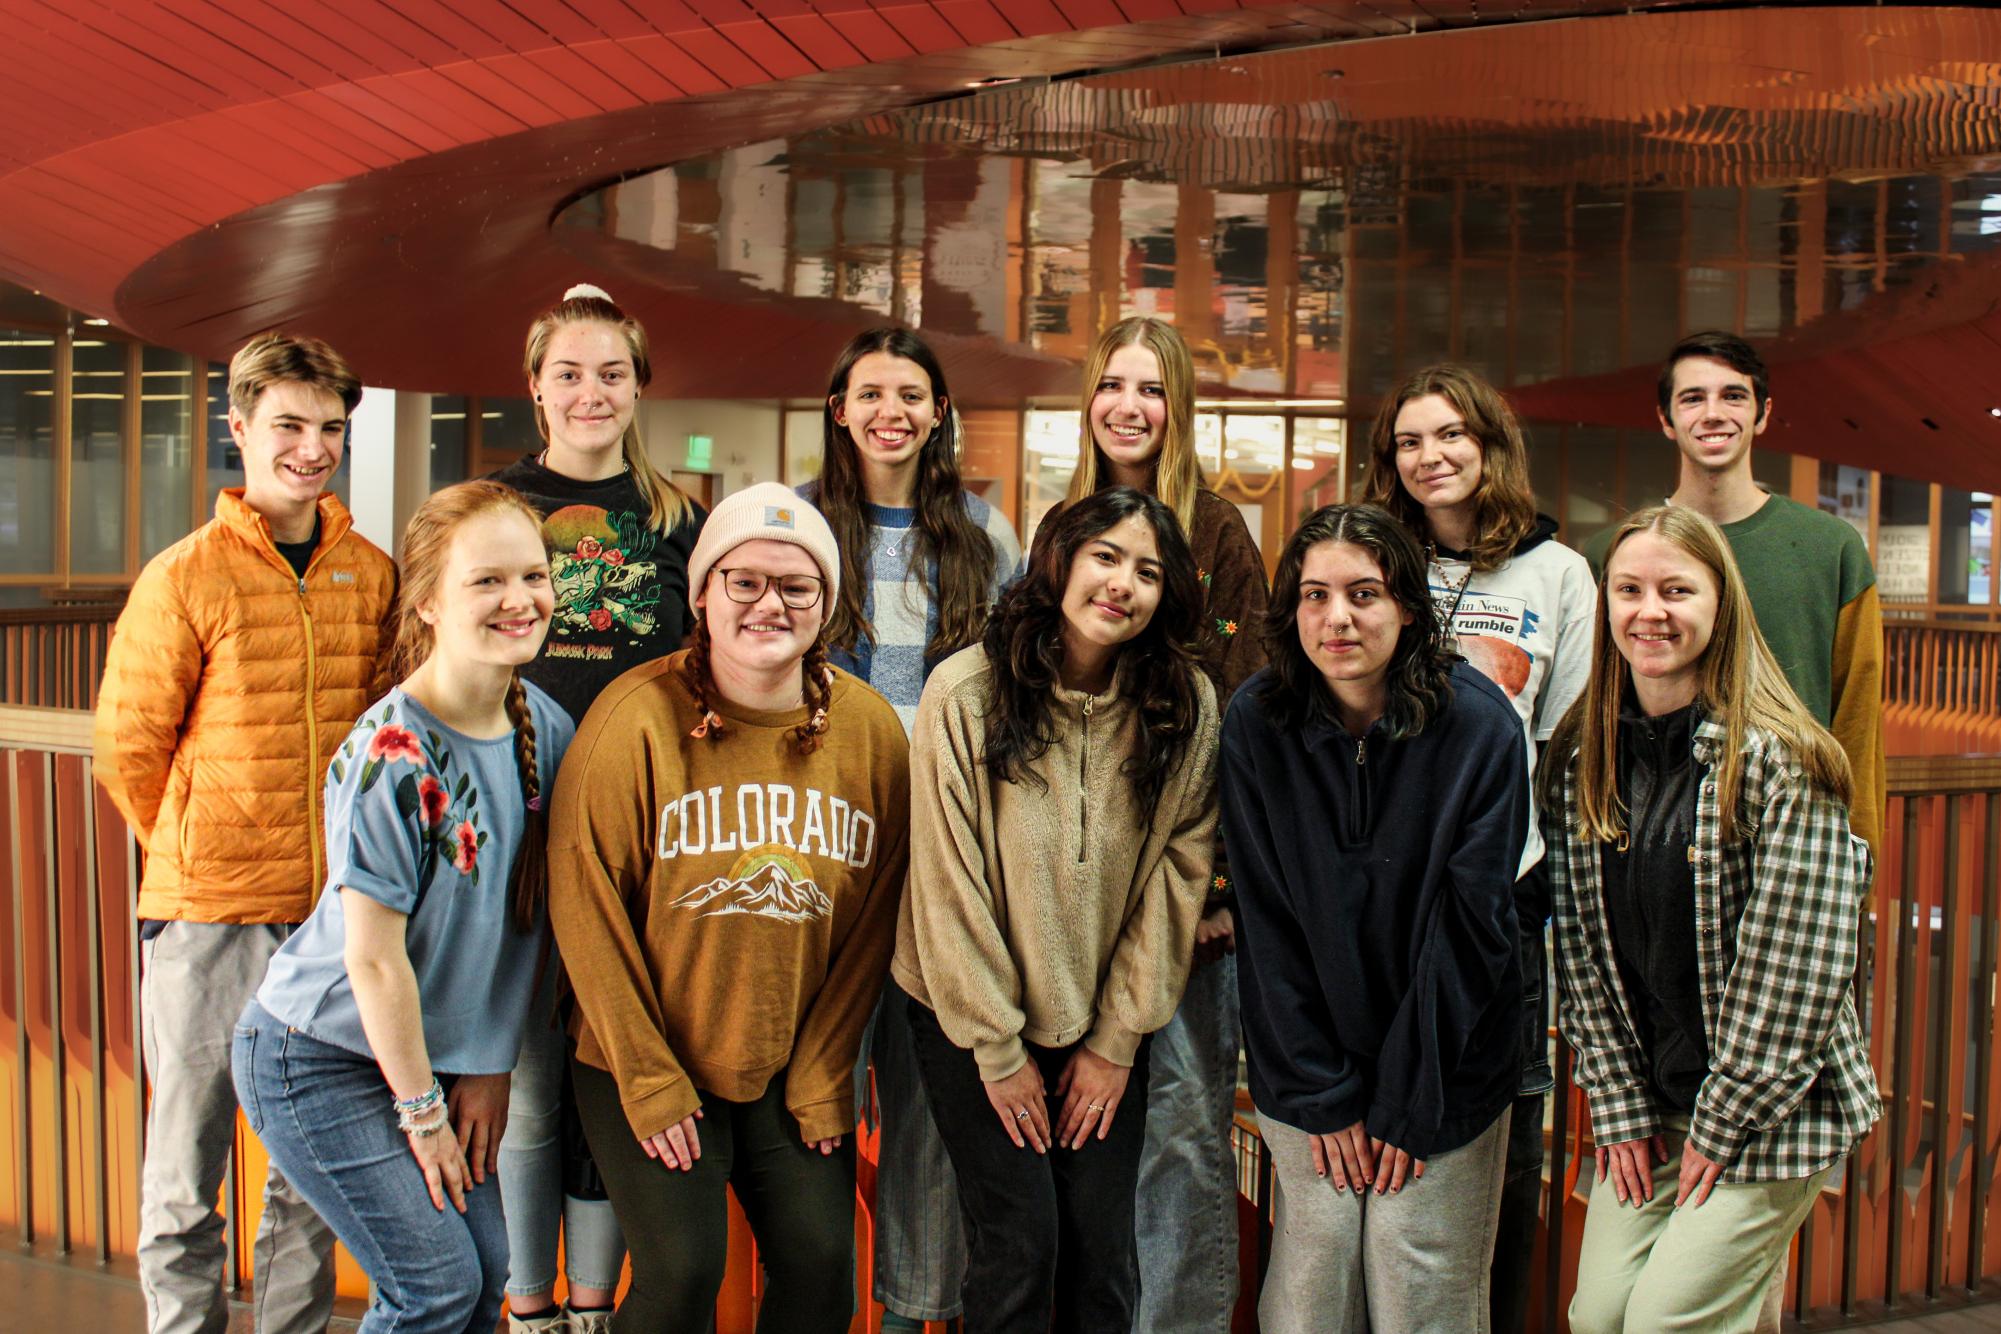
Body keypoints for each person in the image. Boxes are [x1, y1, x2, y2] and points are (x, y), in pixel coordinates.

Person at [546, 483, 910, 1333]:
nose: (768, 605)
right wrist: (649, 1080)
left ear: (827, 603)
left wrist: (826, 1070)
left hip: (789, 1065)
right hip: (642, 1054)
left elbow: (873, 925)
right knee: (681, 1275)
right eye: (742, 582)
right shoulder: (632, 719)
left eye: (796, 587)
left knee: (823, 1268)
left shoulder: (868, 734)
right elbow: (585, 907)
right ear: (702, 593)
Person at [93, 330, 395, 1334]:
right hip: (207, 917)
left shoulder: (372, 572)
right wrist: (200, 842)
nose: (310, 447)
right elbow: (128, 749)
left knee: (306, 1174)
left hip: (327, 923)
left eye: (328, 428)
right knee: (187, 1169)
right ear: (240, 428)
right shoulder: (184, 577)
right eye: (288, 425)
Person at [230, 481, 574, 1331]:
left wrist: (489, 1067)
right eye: (486, 581)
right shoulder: (391, 751)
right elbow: (373, 960)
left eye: (532, 576)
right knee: (434, 1288)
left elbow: (520, 935)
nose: (518, 600)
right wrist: (423, 1116)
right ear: (425, 601)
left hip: (445, 1060)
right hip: (319, 1056)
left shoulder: (547, 726)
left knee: (489, 1272)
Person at [895, 486, 1220, 1334]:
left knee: (1100, 1255)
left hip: (1100, 1018)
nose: (1122, 584)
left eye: (1147, 571)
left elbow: (1177, 877)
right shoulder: (964, 690)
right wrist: (998, 1053)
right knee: (1021, 1245)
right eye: (1104, 557)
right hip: (966, 1012)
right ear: (1059, 560)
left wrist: (1116, 1040)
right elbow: (945, 881)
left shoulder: (1183, 706)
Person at [1550, 504, 1879, 1332]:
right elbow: (1583, 957)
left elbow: (1794, 973)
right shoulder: (1583, 759)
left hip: (1772, 1107)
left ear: (1719, 604)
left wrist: (1724, 1121)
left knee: (1664, 1323)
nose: (1648, 611)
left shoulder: (1780, 758)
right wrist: (1618, 1108)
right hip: (1656, 1103)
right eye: (1628, 590)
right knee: (1596, 1319)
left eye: (1674, 589)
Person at [1224, 503, 1528, 1334]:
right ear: (1290, 609)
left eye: (1364, 593)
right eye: (1314, 596)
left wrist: (1405, 1100)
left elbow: (1471, 931)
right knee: (1316, 1266)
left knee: (1414, 1265)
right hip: (1307, 1055)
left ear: (1406, 606)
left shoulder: (1480, 728)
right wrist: (1323, 1094)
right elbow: (1267, 923)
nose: (1338, 618)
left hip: (1448, 1056)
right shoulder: (1255, 722)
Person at [488, 281, 706, 1332]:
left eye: (610, 373)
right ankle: (530, 1304)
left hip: (639, 840)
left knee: (615, 1072)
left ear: (638, 386)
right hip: (521, 836)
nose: (591, 392)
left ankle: (591, 1306)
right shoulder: (494, 509)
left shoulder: (676, 518)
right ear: (536, 387)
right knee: (532, 1081)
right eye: (568, 373)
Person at [1361, 364, 1594, 1333]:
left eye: (1451, 434)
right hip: (1383, 889)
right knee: (1382, 1116)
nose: (1431, 455)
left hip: (1507, 884)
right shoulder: (1379, 559)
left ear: (1491, 444)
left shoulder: (1557, 572)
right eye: (1410, 441)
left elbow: (1570, 742)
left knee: (1505, 1123)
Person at [801, 326, 1020, 1329]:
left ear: (940, 413)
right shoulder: (793, 523)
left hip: (941, 859)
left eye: (913, 394)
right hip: (822, 858)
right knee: (816, 1102)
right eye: (871, 391)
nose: (892, 410)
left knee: (930, 1114)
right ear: (839, 407)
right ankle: (818, 1303)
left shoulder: (985, 532)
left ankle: (909, 1314)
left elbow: (1017, 699)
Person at [1063, 315, 1267, 1333]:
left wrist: (1221, 884)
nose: (1129, 406)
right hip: (1078, 893)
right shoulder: (1062, 520)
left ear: (1177, 406)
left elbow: (1250, 722)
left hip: (1190, 897)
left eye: (1150, 387)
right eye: (1113, 384)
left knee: (1184, 1129)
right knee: (1088, 1123)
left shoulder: (1221, 533)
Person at [1583, 331, 1883, 856]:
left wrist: (1860, 860)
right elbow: (1592, 706)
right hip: (1645, 843)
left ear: (1762, 413)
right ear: (1665, 419)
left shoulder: (1830, 549)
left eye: (1733, 395)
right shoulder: (1614, 555)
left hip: (1792, 840)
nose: (1713, 413)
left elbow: (1856, 722)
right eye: (1693, 398)